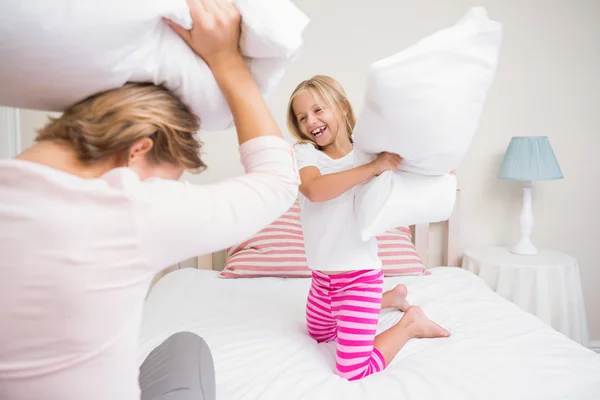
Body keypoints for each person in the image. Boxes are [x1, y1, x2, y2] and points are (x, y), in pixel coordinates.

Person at [0, 0, 299, 398]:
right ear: (137, 151)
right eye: (167, 183)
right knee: (189, 351)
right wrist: (227, 61)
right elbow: (278, 180)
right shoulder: (127, 211)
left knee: (183, 346)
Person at [286, 75, 450, 381]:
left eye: (319, 110)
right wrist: (372, 169)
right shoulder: (305, 154)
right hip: (322, 281)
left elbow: (415, 163)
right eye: (303, 117)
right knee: (320, 335)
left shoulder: (368, 153)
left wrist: (436, 170)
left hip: (359, 278)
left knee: (352, 370)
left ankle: (410, 322)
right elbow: (315, 190)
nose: (312, 121)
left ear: (343, 107)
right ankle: (390, 299)